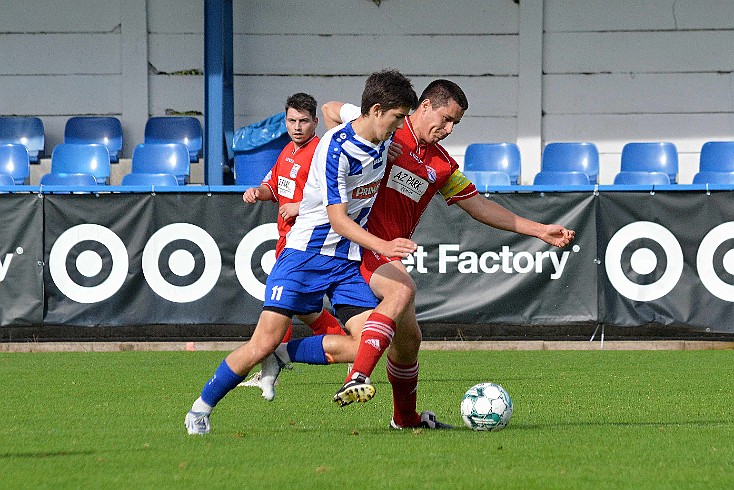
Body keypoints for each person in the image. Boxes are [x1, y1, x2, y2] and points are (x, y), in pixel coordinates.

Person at [259, 79, 575, 430]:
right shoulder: (387, 130)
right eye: (446, 118)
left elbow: (479, 206)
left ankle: (402, 418)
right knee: (400, 290)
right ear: (424, 106)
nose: (449, 128)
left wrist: (539, 230)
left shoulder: (441, 166)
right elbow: (331, 110)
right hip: (358, 246)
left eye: (456, 123)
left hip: (388, 252)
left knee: (409, 343)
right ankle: (357, 376)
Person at [185, 69, 419, 435]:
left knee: (367, 343)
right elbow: (339, 221)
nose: (401, 126)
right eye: (398, 118)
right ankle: (201, 408)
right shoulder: (336, 150)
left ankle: (285, 354)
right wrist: (384, 246)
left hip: (345, 262)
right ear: (376, 110)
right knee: (260, 343)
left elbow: (330, 109)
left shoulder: (373, 127)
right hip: (305, 257)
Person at [238, 93, 345, 388]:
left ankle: (269, 364)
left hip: (307, 241)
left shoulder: (321, 151)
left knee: (279, 304)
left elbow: (337, 193)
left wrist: (301, 206)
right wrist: (258, 192)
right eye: (291, 120)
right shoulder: (287, 150)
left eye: (303, 121)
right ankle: (349, 343)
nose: (296, 127)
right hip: (286, 238)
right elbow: (273, 184)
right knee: (304, 309)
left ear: (314, 122)